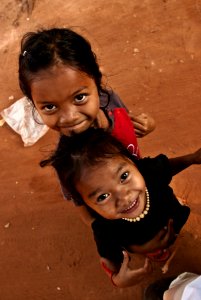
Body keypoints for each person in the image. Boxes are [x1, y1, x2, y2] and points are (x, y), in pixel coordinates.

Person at [18, 27, 156, 225]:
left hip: (137, 184)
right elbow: (80, 203)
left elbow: (129, 123)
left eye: (80, 97)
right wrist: (101, 233)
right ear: (34, 104)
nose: (69, 117)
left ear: (97, 82)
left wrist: (148, 125)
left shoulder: (111, 102)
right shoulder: (68, 162)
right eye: (49, 106)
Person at [40, 127, 201, 288]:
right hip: (143, 242)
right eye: (102, 197)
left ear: (133, 163)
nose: (124, 197)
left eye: (124, 176)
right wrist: (118, 279)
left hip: (171, 215)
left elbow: (167, 167)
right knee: (157, 246)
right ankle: (154, 251)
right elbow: (108, 260)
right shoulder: (104, 228)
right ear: (86, 204)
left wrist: (191, 159)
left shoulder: (149, 170)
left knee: (175, 228)